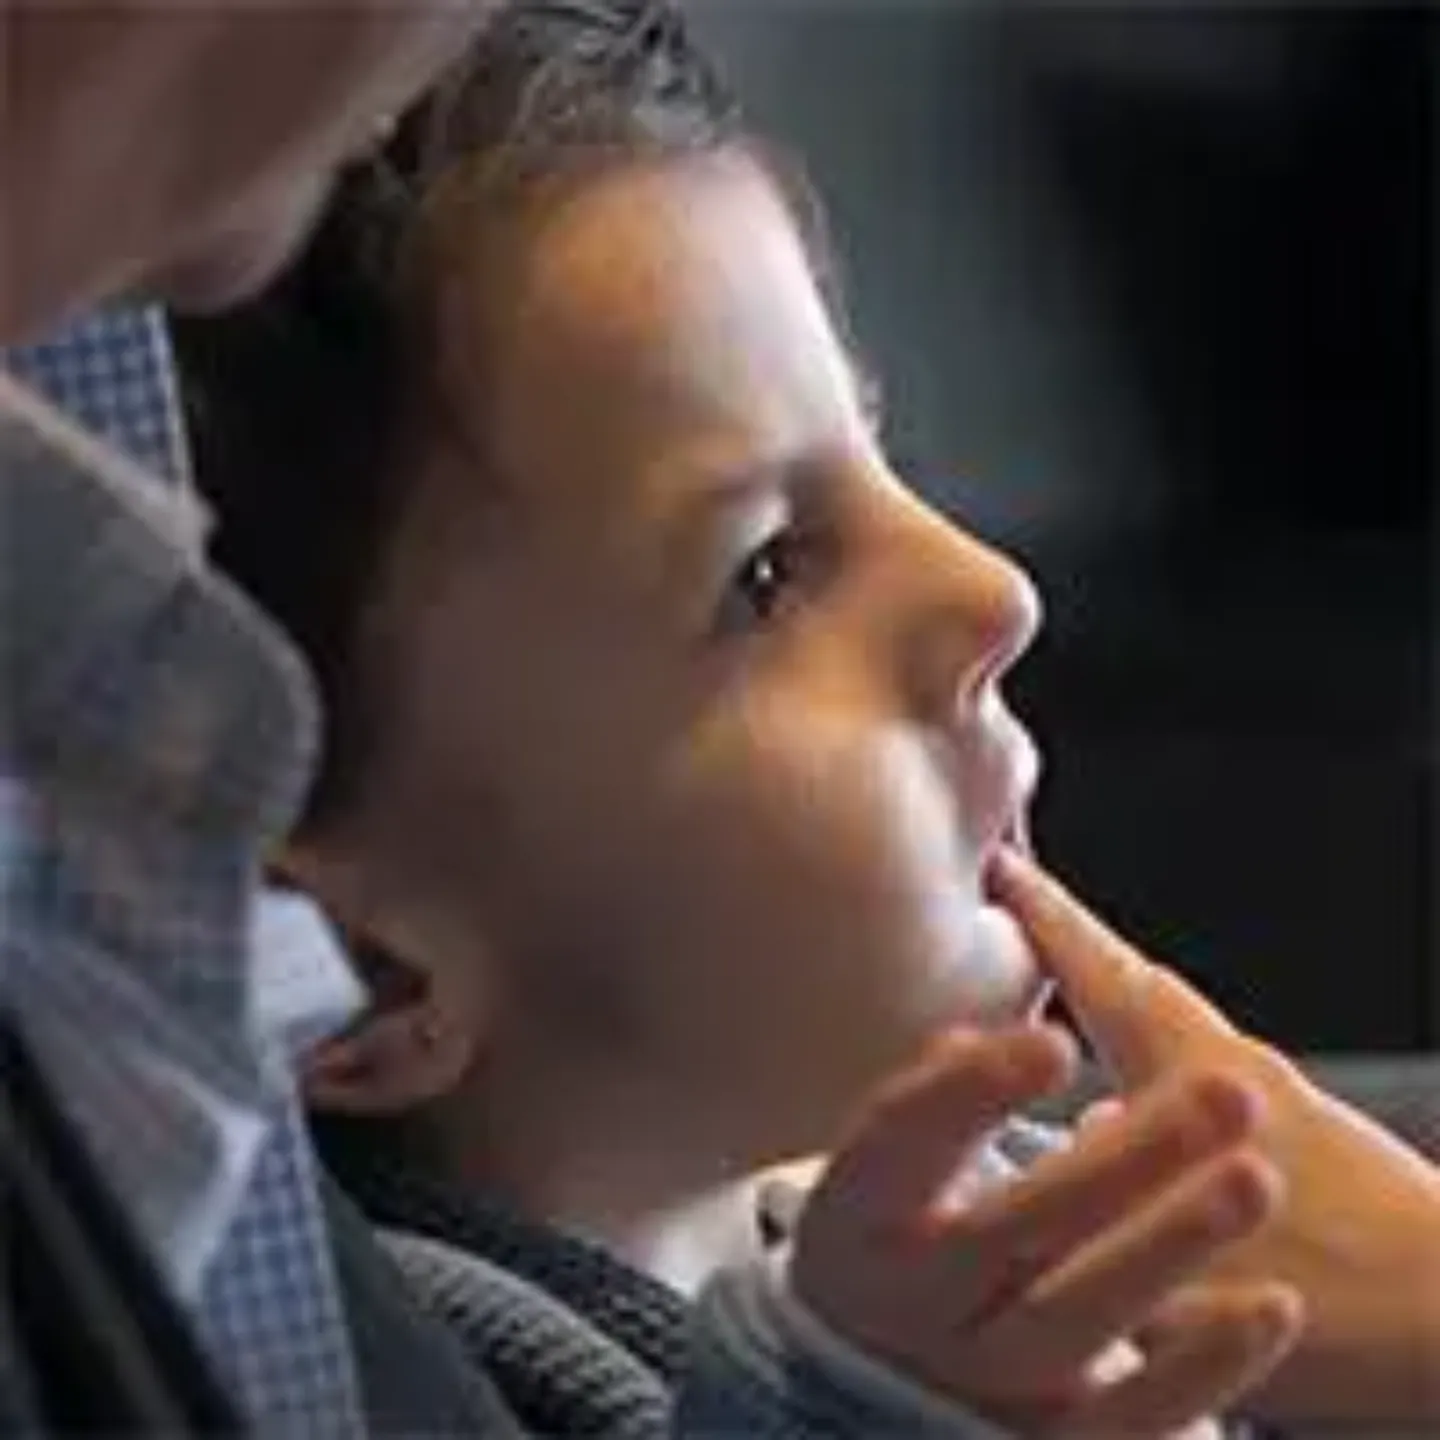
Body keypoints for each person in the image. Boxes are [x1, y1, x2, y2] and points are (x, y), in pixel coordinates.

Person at [3, 0, 1435, 1433]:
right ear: (365, 972)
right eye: (765, 574)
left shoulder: (988, 1224)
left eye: (882, 454)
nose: (991, 589)